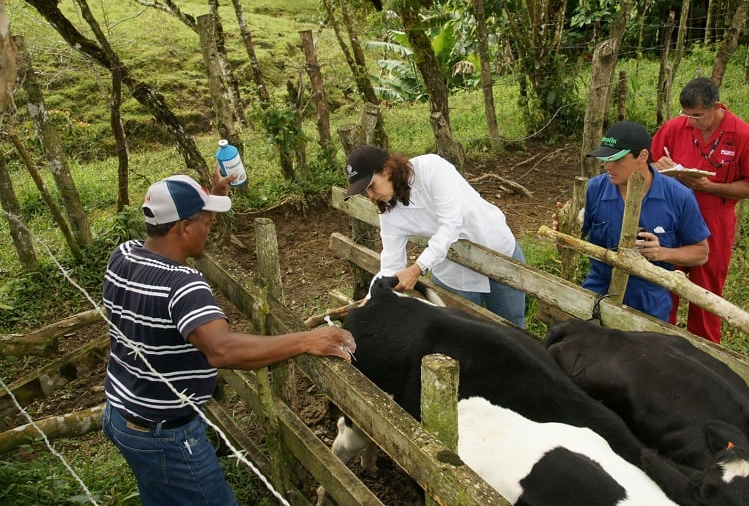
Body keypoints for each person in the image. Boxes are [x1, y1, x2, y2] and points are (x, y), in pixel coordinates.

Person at [101, 171, 355, 505]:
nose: (210, 229)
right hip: (167, 435)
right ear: (184, 228)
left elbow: (181, 245)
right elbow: (222, 350)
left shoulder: (124, 255)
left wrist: (209, 196)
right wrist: (306, 340)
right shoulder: (184, 285)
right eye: (206, 222)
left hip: (120, 414)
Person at [344, 146, 527, 328]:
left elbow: (450, 224)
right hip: (454, 271)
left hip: (496, 252)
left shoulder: (431, 169)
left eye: (371, 186)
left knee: (512, 327)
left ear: (387, 169)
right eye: (365, 192)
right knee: (463, 335)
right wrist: (370, 300)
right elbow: (391, 262)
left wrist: (417, 268)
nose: (371, 196)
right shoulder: (389, 212)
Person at [652, 77, 749, 343]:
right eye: (687, 115)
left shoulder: (742, 134)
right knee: (664, 281)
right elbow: (649, 160)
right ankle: (659, 342)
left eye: (698, 116)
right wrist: (658, 166)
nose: (691, 121)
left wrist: (711, 187)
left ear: (716, 106)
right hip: (672, 217)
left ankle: (705, 349)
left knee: (707, 290)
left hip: (714, 220)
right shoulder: (675, 127)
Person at [578, 121, 710, 322]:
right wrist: (565, 225)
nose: (608, 166)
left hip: (649, 298)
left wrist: (662, 253)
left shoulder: (679, 196)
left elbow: (701, 253)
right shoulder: (594, 189)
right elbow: (576, 235)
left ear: (642, 156)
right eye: (605, 160)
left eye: (617, 160)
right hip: (598, 290)